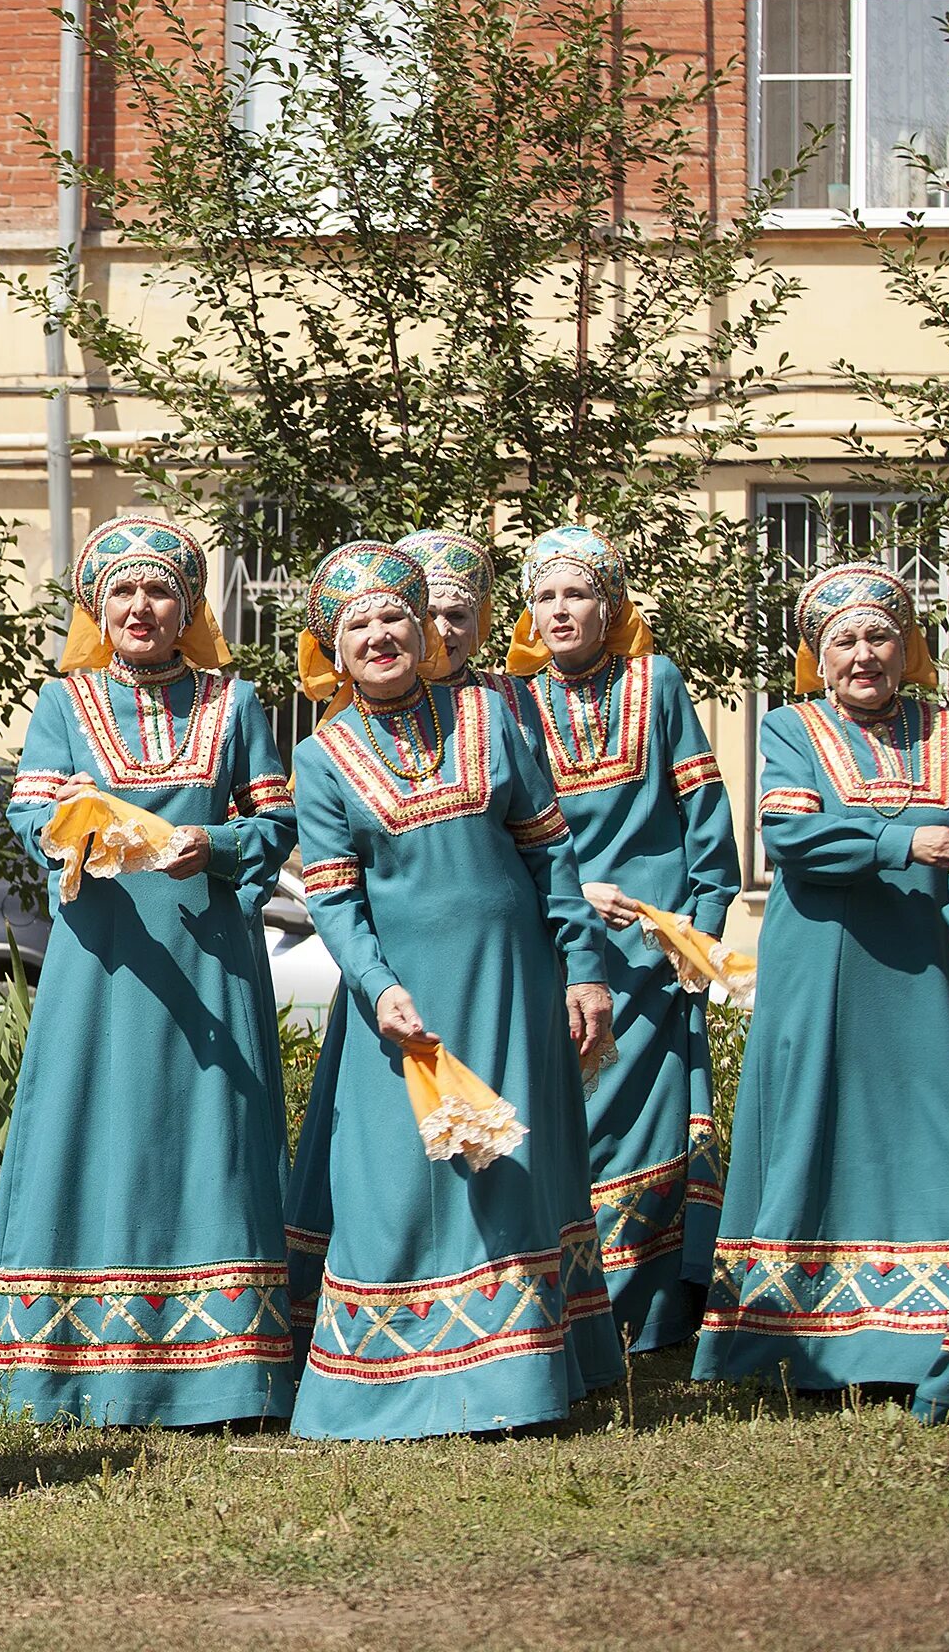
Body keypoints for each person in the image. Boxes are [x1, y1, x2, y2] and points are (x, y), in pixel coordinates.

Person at [0, 517, 299, 1426]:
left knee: (211, 1138)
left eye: (158, 592)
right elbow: (30, 818)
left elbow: (273, 824)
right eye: (121, 592)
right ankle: (65, 1362)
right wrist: (81, 832)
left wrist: (217, 843)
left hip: (207, 949)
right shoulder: (62, 703)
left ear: (186, 606)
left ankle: (225, 1371)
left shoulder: (235, 703)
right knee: (95, 1125)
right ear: (96, 608)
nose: (140, 607)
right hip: (102, 957)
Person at [284, 541, 622, 1439]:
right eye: (356, 624)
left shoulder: (487, 713)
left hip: (510, 984)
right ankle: (390, 1386)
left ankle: (521, 1385)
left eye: (393, 614)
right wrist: (375, 985)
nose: (380, 634)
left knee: (515, 1169)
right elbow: (333, 896)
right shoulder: (319, 760)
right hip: (405, 1008)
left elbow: (550, 852)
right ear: (333, 646)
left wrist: (582, 966)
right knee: (398, 1181)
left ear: (420, 628)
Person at [694, 561, 949, 1412]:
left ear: (910, 647)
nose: (863, 655)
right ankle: (795, 1342)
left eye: (879, 636)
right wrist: (902, 845)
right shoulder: (789, 727)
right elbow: (790, 838)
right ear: (817, 658)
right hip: (819, 966)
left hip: (919, 971)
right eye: (842, 641)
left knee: (934, 1139)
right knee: (809, 1133)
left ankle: (940, 1342)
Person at [505, 526, 739, 1352]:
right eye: (545, 596)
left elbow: (704, 816)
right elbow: (512, 834)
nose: (560, 610)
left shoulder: (657, 681)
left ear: (610, 607)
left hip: (654, 952)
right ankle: (572, 1307)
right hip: (562, 945)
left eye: (576, 594)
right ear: (528, 613)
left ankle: (648, 1314)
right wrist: (568, 899)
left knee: (654, 1119)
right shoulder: (510, 701)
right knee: (574, 1118)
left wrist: (701, 935)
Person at [398, 530, 511, 696]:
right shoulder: (363, 706)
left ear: (476, 623)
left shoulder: (510, 694)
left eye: (456, 616)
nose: (442, 632)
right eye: (428, 617)